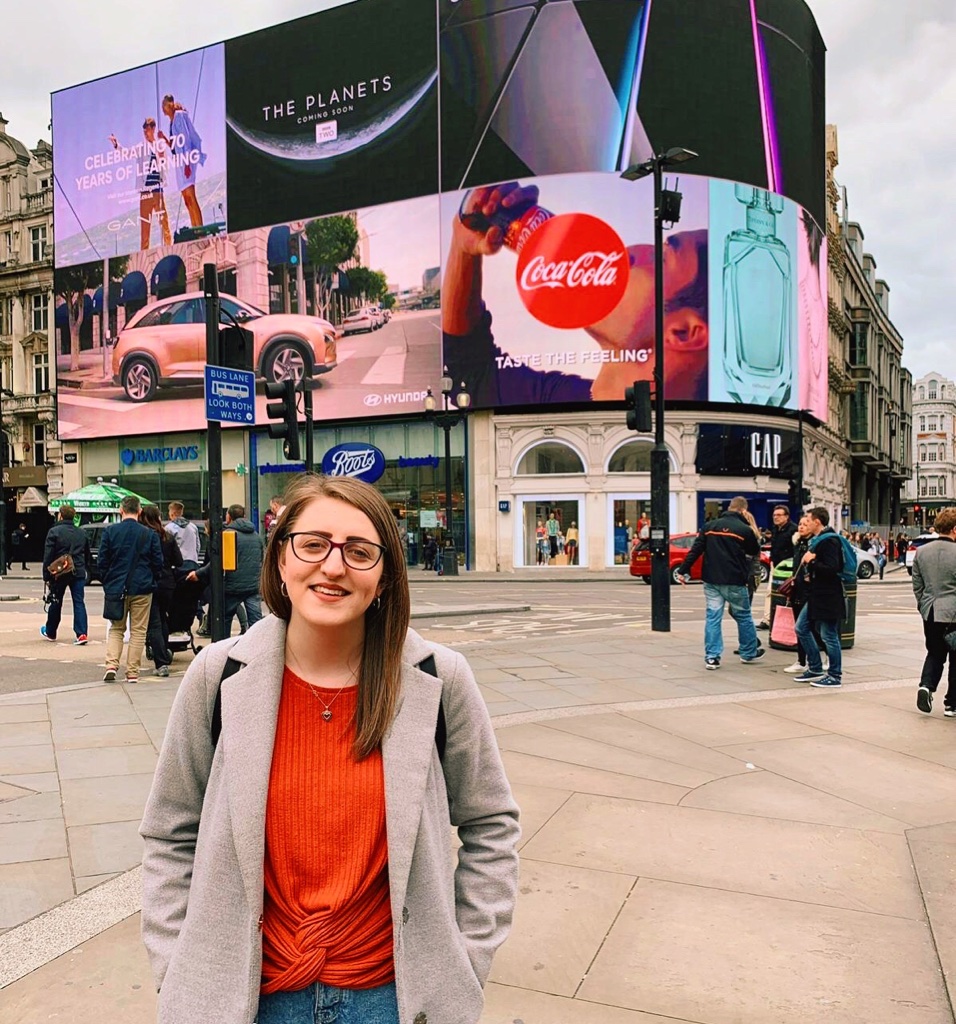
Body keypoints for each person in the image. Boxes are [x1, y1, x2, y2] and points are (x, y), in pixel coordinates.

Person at [139, 474, 520, 1024]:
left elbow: (491, 824)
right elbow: (169, 831)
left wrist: (468, 957)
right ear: (280, 561)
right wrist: (175, 964)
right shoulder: (218, 676)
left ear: (385, 575)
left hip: (394, 1000)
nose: (334, 566)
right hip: (244, 1000)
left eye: (359, 552)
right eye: (313, 544)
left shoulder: (437, 678)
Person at [442, 181, 709, 407]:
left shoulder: (700, 446)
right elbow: (467, 375)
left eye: (660, 257)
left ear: (685, 332)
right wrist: (463, 244)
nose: (627, 252)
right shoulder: (560, 398)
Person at [675, 496, 765, 669]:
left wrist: (683, 570)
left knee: (713, 617)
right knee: (744, 616)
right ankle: (748, 653)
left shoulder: (709, 527)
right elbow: (754, 550)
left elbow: (696, 550)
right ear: (743, 510)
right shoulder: (744, 530)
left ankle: (712, 657)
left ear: (730, 507)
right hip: (735, 579)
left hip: (711, 579)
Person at [98, 495, 163, 684]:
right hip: (142, 587)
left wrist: (108, 581)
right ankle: (132, 672)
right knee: (138, 631)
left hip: (116, 588)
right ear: (140, 511)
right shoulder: (149, 534)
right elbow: (158, 562)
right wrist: (151, 579)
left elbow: (102, 561)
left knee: (116, 629)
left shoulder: (110, 532)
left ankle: (111, 665)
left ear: (121, 510)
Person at [189, 504, 264, 636]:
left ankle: (224, 648)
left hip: (233, 586)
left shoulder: (228, 535)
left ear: (228, 517)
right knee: (256, 622)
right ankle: (257, 650)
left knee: (225, 619)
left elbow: (218, 562)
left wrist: (198, 573)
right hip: (253, 586)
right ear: (244, 516)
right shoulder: (256, 536)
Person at [793, 507, 846, 688]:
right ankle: (815, 667)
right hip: (818, 593)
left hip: (828, 595)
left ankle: (835, 675)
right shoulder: (818, 540)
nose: (806, 522)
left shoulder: (829, 540)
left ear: (817, 521)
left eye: (809, 519)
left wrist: (812, 561)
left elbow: (833, 568)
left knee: (829, 635)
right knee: (801, 627)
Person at [912, 507, 956, 715]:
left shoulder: (921, 552)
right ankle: (952, 704)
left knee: (935, 653)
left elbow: (917, 586)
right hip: (953, 613)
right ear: (954, 529)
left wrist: (923, 605)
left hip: (930, 611)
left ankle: (926, 686)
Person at [108, 118, 171, 249]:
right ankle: (145, 253)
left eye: (147, 129)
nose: (145, 132)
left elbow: (165, 164)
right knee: (145, 227)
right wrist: (116, 145)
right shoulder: (141, 147)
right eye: (144, 130)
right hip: (145, 191)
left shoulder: (159, 146)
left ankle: (170, 247)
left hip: (157, 190)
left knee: (164, 222)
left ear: (153, 129)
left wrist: (161, 153)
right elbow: (127, 153)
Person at [140, 505, 182, 678]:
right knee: (163, 619)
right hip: (168, 582)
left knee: (154, 622)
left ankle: (161, 661)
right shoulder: (167, 536)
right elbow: (179, 561)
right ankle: (164, 652)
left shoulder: (144, 536)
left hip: (151, 580)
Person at [40, 505, 91, 645]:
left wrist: (46, 576)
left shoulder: (54, 532)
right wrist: (82, 567)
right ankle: (82, 634)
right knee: (79, 602)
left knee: (56, 601)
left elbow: (48, 556)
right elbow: (86, 554)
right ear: (74, 517)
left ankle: (51, 631)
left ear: (60, 515)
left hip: (60, 572)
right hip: (78, 571)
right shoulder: (81, 532)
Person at [782, 514, 827, 675]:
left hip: (810, 591)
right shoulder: (797, 543)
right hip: (797, 590)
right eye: (799, 524)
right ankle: (802, 661)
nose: (801, 527)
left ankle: (824, 656)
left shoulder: (814, 545)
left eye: (805, 524)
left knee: (811, 628)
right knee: (800, 628)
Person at [160, 94, 205, 228]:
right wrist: (164, 139)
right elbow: (175, 146)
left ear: (169, 105)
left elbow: (185, 140)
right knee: (186, 199)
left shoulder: (179, 116)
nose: (162, 109)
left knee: (191, 195)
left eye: (164, 106)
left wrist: (187, 163)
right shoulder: (171, 122)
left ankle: (200, 229)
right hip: (179, 162)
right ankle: (194, 227)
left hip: (186, 160)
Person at [758, 504, 798, 629]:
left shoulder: (793, 529)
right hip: (775, 565)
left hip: (788, 567)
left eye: (779, 515)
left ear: (787, 516)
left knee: (787, 593)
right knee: (770, 592)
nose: (776, 518)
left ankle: (788, 620)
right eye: (774, 515)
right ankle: (767, 619)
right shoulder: (775, 529)